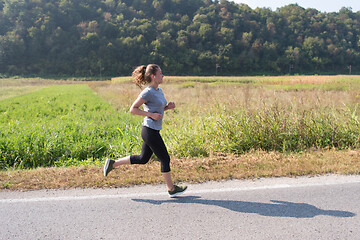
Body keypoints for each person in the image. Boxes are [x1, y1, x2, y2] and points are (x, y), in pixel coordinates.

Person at [104, 64, 187, 198]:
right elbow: (133, 109)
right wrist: (151, 115)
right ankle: (171, 188)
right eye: (160, 73)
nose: (163, 75)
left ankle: (113, 164)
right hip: (149, 130)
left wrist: (167, 108)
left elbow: (157, 109)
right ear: (153, 76)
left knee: (143, 159)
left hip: (153, 130)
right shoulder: (147, 92)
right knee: (165, 158)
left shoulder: (158, 90)